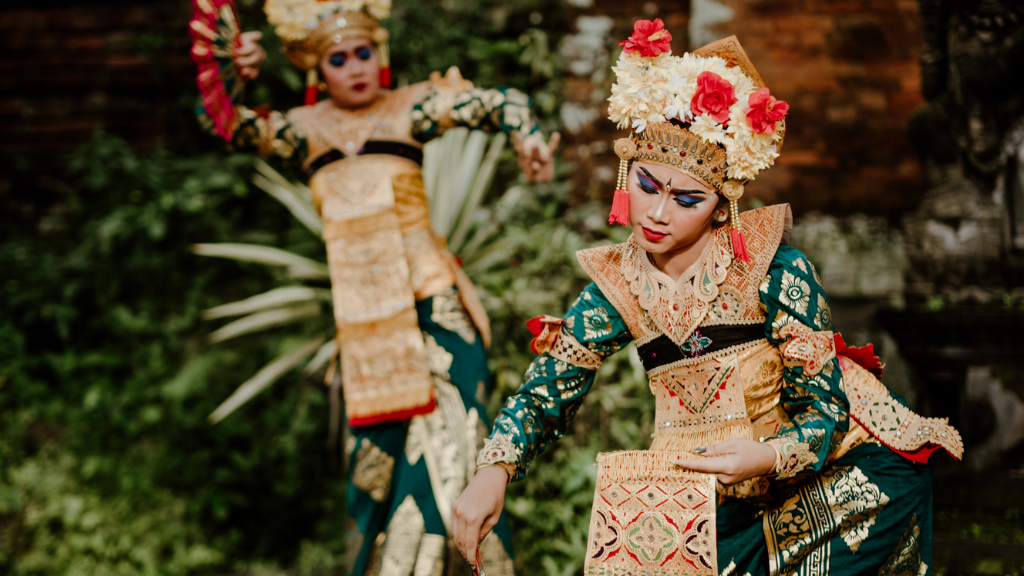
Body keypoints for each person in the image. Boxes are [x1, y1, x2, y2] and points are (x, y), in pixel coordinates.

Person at [452, 21, 963, 576]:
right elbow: (547, 388)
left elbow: (825, 412)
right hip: (701, 491)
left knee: (896, 483)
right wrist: (492, 472)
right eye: (646, 185)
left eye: (687, 199)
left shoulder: (774, 269)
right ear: (629, 170)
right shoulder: (618, 284)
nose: (658, 213)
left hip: (805, 475)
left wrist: (767, 456)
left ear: (722, 207)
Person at [193, 0, 560, 574]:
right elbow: (222, 123)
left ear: (380, 54)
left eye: (364, 52)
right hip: (367, 335)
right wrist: (234, 73)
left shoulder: (409, 109)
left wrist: (529, 137)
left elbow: (503, 102)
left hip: (436, 309)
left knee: (460, 459)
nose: (355, 67)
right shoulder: (301, 131)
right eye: (339, 59)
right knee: (376, 480)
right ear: (318, 69)